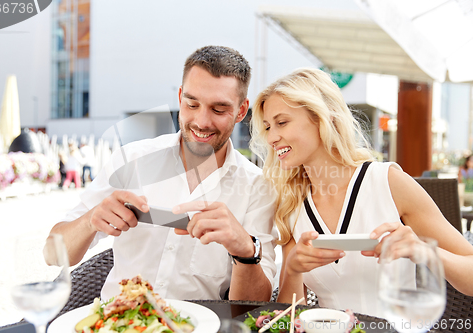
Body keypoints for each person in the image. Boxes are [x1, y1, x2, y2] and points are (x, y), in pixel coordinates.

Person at [49, 46, 277, 302]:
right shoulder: (131, 160)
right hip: (118, 324)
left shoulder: (258, 187)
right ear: (180, 97)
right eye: (192, 104)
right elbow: (53, 254)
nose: (202, 121)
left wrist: (245, 249)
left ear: (241, 111)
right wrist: (90, 219)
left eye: (219, 109)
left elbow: (254, 306)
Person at [249, 68, 473, 317]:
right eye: (268, 127)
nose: (271, 137)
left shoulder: (388, 182)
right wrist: (291, 271)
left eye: (281, 122)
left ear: (322, 117)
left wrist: (424, 250)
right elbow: (287, 320)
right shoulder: (291, 205)